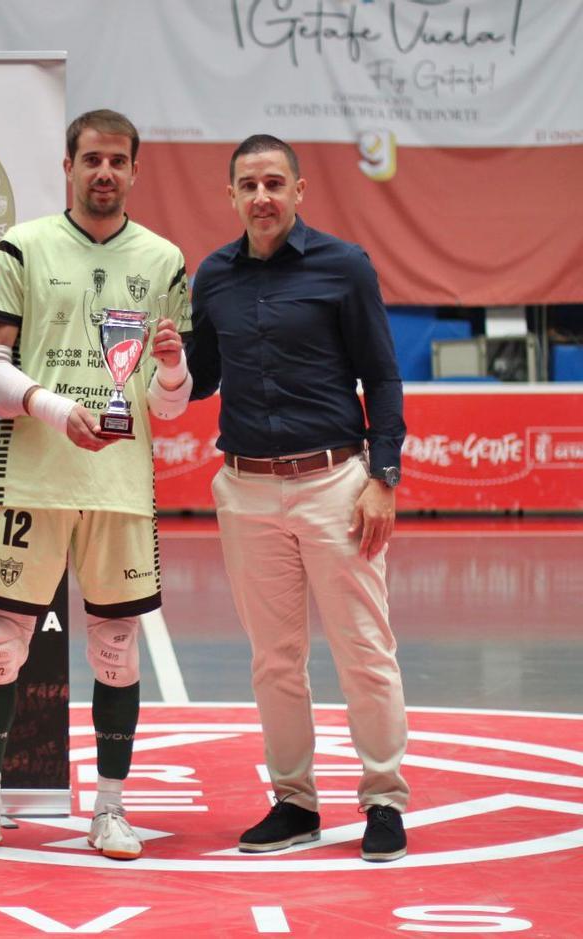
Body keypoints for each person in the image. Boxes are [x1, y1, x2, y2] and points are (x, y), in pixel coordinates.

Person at [0, 109, 192, 862]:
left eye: (118, 161)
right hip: (32, 478)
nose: (105, 173)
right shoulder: (24, 245)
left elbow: (167, 401)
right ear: (68, 165)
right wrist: (56, 410)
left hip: (120, 486)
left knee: (117, 653)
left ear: (133, 170)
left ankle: (112, 811)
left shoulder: (164, 259)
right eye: (92, 159)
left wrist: (176, 366)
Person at [187, 134, 409, 862]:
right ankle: (295, 802)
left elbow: (381, 375)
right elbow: (202, 379)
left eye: (274, 183)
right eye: (247, 184)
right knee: (274, 658)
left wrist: (383, 477)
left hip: (336, 484)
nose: (261, 197)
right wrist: (165, 362)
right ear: (230, 195)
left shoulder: (344, 267)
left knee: (363, 649)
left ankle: (383, 797)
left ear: (299, 190)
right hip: (246, 489)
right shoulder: (213, 277)